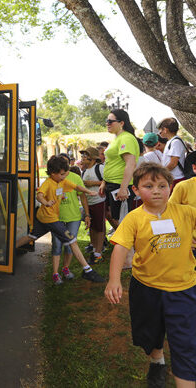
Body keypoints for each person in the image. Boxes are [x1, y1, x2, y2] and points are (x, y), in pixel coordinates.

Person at [105, 162, 196, 388]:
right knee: (150, 331)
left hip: (183, 289)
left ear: (170, 188)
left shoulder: (186, 213)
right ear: (135, 190)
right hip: (146, 288)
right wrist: (114, 279)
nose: (156, 191)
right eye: (148, 186)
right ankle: (157, 360)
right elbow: (120, 248)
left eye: (162, 186)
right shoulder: (134, 218)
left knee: (185, 343)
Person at [17, 155, 105, 284]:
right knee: (72, 241)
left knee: (31, 236)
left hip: (43, 218)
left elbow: (76, 187)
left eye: (66, 174)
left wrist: (88, 192)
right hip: (50, 218)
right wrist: (46, 202)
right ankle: (88, 270)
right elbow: (39, 195)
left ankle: (9, 249)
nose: (65, 176)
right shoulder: (48, 183)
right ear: (53, 173)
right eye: (63, 174)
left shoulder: (62, 181)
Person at [50, 155, 91, 284]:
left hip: (73, 217)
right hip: (57, 218)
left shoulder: (76, 178)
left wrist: (87, 214)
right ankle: (55, 273)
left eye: (66, 165)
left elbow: (83, 197)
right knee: (56, 245)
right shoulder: (52, 179)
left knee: (70, 245)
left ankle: (65, 268)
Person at [98, 109, 140, 230]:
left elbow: (130, 164)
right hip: (113, 185)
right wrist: (104, 182)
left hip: (120, 186)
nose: (107, 123)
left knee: (124, 223)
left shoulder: (126, 138)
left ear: (121, 123)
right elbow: (112, 162)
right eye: (106, 121)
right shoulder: (117, 138)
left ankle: (131, 247)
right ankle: (127, 247)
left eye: (110, 121)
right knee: (117, 220)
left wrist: (123, 189)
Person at [80, 147, 106, 264]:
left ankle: (98, 252)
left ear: (92, 158)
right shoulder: (84, 171)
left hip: (99, 201)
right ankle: (94, 248)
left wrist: (93, 183)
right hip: (88, 203)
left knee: (100, 227)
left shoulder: (99, 168)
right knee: (92, 226)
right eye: (82, 156)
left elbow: (107, 181)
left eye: (85, 155)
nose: (83, 158)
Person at [169, 158, 196, 258]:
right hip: (190, 245)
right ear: (194, 168)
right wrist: (182, 236)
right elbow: (169, 212)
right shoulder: (183, 187)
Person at [158, 117, 187, 191]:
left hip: (176, 178)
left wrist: (161, 173)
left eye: (160, 130)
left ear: (165, 129)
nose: (159, 132)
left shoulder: (175, 142)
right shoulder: (171, 141)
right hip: (172, 178)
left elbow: (173, 163)